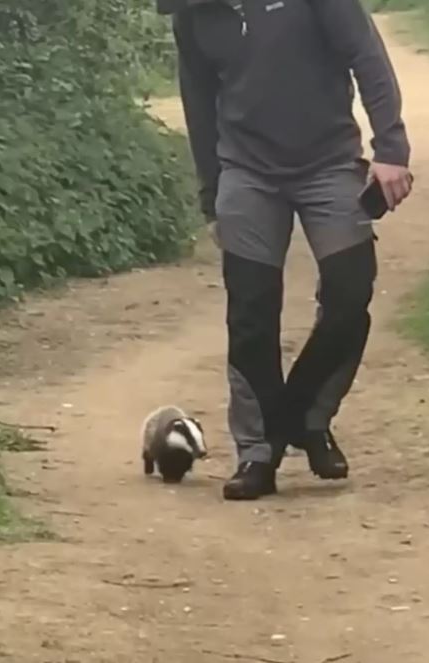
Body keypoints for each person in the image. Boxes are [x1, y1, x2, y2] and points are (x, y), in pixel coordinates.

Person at [157, 0, 413, 500]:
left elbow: (368, 56)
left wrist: (391, 150)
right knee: (250, 312)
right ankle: (257, 452)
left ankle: (305, 420)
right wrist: (212, 197)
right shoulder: (191, 14)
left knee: (349, 294)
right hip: (246, 175)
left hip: (330, 162)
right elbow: (199, 103)